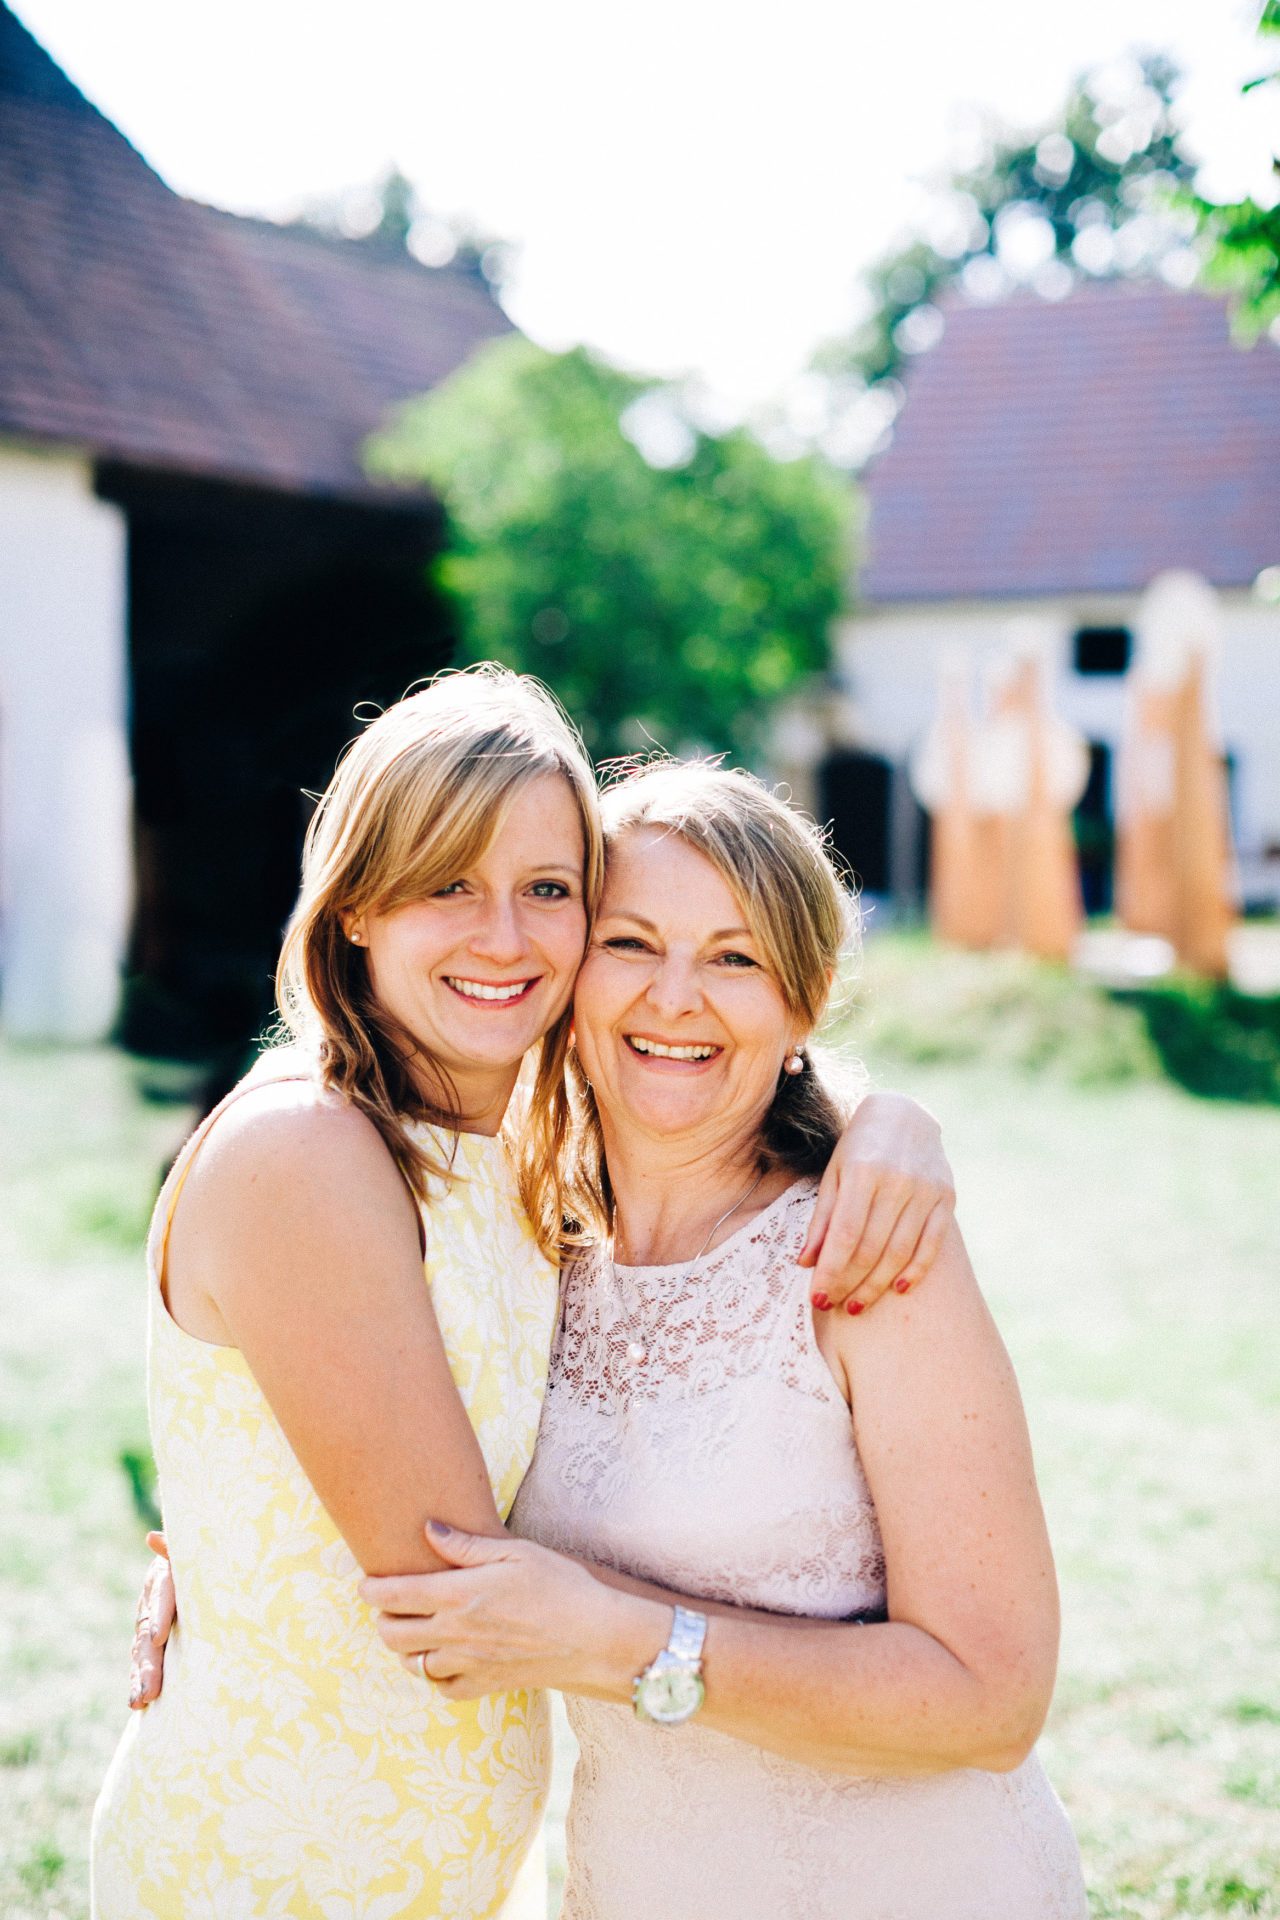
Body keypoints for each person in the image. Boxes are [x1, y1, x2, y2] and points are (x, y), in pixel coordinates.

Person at [95, 670, 956, 1920]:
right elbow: (468, 1595)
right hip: (273, 1868)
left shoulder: (508, 1154)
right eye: (448, 882)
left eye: (547, 890)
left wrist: (888, 1123)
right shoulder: (309, 1152)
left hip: (456, 1869)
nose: (503, 937)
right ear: (353, 909)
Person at [363, 760, 1089, 1920]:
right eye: (631, 943)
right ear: (566, 971)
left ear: (798, 1006)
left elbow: (991, 1698)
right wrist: (205, 1565)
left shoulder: (867, 1256)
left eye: (734, 957)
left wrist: (617, 1640)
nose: (675, 999)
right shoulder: (519, 1249)